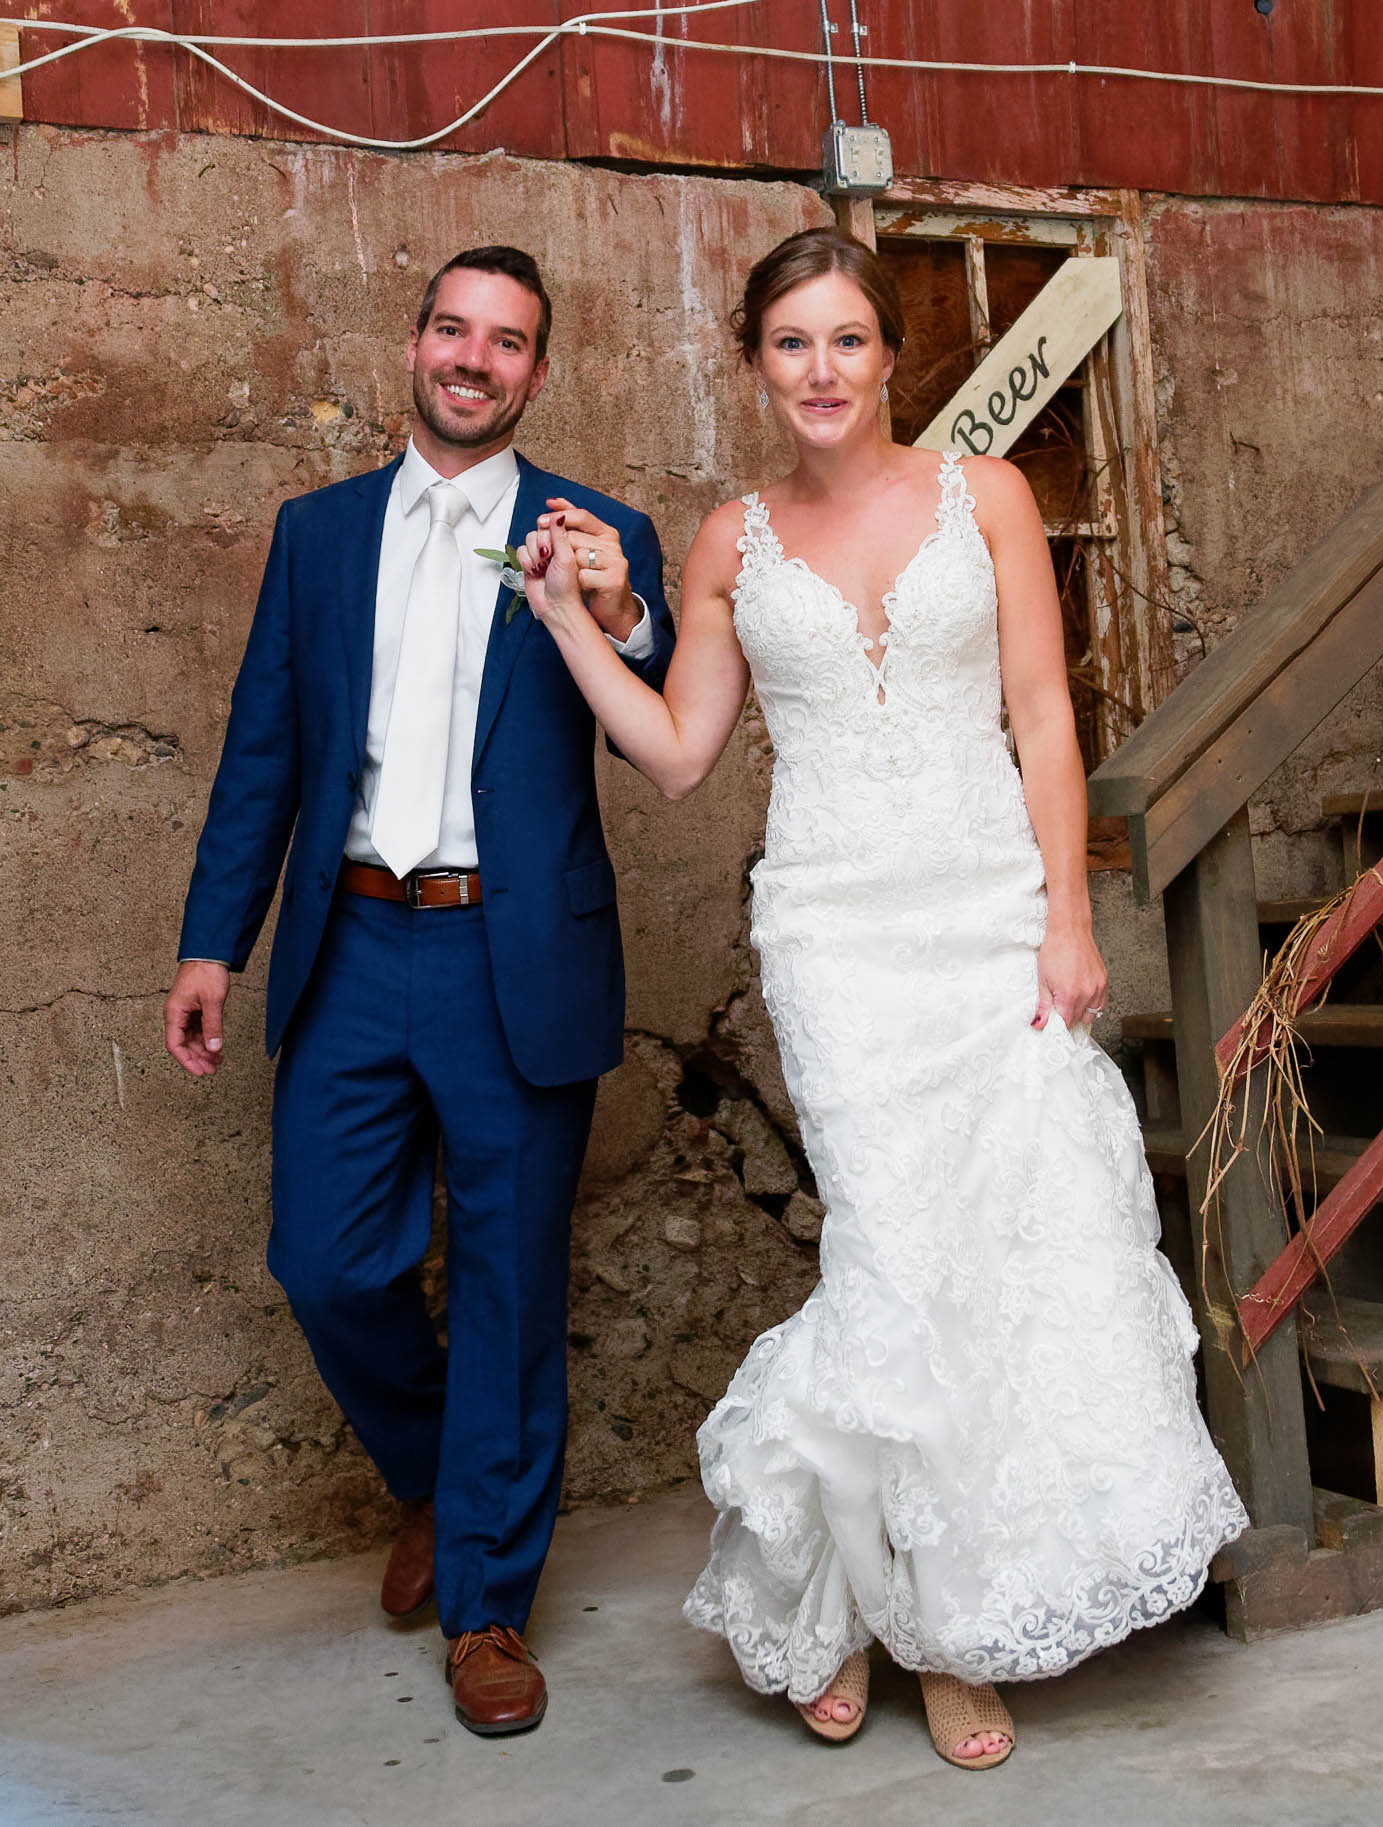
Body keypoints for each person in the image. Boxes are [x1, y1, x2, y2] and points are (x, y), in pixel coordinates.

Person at [516, 227, 1246, 1771]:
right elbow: (677, 752)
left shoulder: (987, 499)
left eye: (847, 341)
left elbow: (1046, 714)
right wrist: (573, 623)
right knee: (894, 1271)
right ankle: (866, 1600)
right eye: (791, 346)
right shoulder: (728, 540)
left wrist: (1067, 914)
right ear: (755, 364)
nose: (822, 372)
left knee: (998, 1258)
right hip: (836, 938)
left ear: (893, 357)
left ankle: (949, 1627)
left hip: (989, 921)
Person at [163, 245, 675, 1739]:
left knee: (514, 1288)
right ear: (414, 344)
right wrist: (215, 943)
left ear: (534, 372)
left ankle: (491, 1607)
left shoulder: (594, 533)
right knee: (325, 1261)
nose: (473, 358)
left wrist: (615, 601)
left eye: (506, 342)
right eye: (453, 329)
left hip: (513, 953)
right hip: (355, 943)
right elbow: (266, 746)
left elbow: (650, 662)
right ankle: (447, 1487)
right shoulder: (315, 536)